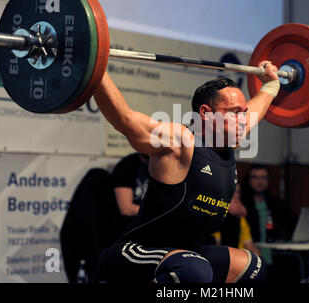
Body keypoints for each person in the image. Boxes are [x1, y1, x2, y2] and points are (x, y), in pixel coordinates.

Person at [93, 59, 281, 283]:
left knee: (251, 268)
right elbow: (124, 118)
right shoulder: (180, 144)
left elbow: (257, 108)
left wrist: (271, 85)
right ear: (205, 113)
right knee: (194, 269)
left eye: (243, 113)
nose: (242, 121)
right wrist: (95, 65)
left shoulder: (228, 137)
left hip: (188, 254)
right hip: (135, 254)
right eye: (234, 113)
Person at [241, 164, 298, 282]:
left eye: (264, 177)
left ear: (268, 181)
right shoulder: (242, 204)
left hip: (275, 255)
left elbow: (293, 223)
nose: (259, 181)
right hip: (250, 256)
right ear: (249, 180)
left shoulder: (276, 203)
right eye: (255, 177)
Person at [213, 183, 261, 257]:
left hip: (238, 260)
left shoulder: (240, 218)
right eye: (231, 192)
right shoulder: (214, 215)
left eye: (237, 192)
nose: (235, 196)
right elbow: (216, 250)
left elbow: (250, 246)